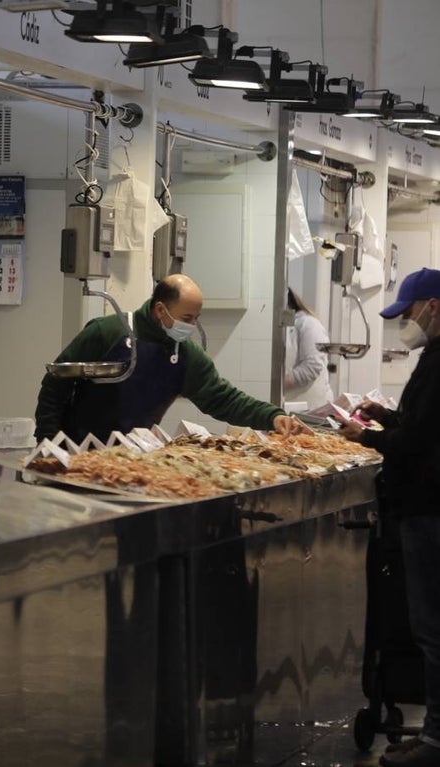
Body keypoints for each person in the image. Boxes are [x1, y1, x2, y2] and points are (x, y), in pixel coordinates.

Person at [340, 267, 440, 767]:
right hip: (424, 510)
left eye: (409, 313)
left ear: (433, 307)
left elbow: (422, 446)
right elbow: (421, 428)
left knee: (433, 630)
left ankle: (436, 744)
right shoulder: (433, 360)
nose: (408, 323)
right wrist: (384, 417)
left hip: (430, 513)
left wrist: (370, 438)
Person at [34, 274, 309, 443]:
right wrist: (47, 442)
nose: (191, 326)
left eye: (196, 319)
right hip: (75, 449)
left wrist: (272, 417)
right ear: (159, 310)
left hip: (133, 458)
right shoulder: (107, 331)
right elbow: (55, 384)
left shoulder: (187, 354)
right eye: (186, 318)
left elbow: (225, 399)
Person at [284, 287, 334, 411]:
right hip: (291, 406)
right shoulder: (281, 328)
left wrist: (279, 384)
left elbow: (312, 366)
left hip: (313, 408)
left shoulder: (309, 324)